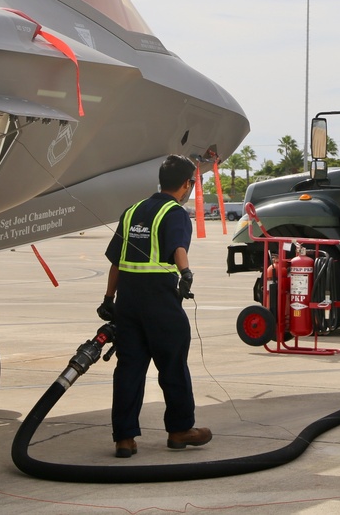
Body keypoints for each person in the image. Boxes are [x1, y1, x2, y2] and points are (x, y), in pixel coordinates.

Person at [97, 154, 212, 458]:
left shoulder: (131, 211)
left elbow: (117, 262)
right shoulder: (174, 213)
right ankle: (179, 430)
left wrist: (109, 299)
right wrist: (186, 273)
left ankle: (124, 439)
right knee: (173, 365)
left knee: (129, 370)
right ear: (187, 184)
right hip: (160, 300)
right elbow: (178, 247)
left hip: (128, 302)